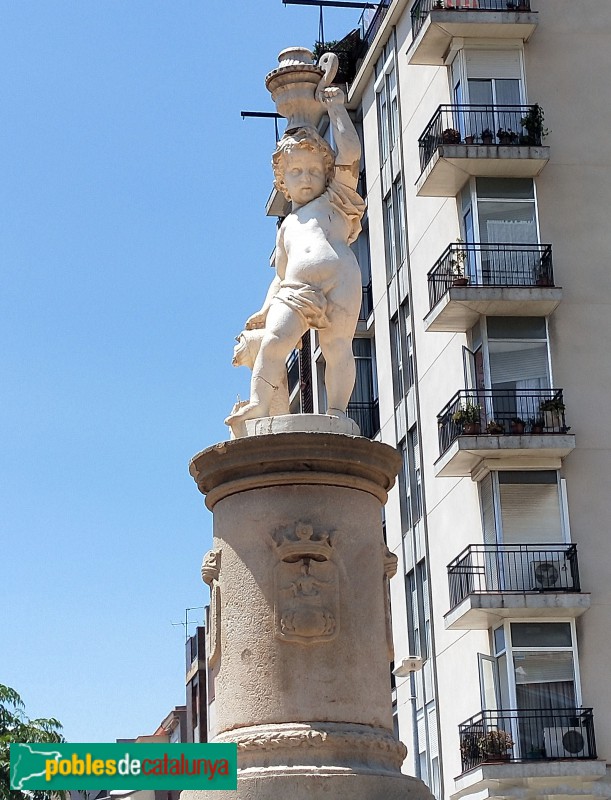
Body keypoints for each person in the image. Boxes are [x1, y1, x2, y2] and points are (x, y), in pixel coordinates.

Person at [225, 86, 365, 431]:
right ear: (282, 181)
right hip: (296, 286)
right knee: (273, 342)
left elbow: (350, 154)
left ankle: (338, 411)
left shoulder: (336, 199)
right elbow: (280, 275)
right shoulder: (286, 226)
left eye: (314, 171)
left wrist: (337, 110)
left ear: (326, 173)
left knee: (336, 345)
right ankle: (259, 403)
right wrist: (264, 308)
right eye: (297, 172)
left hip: (341, 278)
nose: (306, 178)